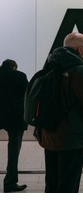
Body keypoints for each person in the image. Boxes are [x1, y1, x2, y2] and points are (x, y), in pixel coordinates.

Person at [36, 32, 83, 193]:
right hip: (71, 137)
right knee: (68, 186)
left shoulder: (50, 66)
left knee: (52, 184)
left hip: (49, 135)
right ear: (80, 50)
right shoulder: (81, 71)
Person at [0, 59, 28, 193]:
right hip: (15, 117)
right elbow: (27, 94)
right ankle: (10, 182)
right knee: (13, 150)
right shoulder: (19, 76)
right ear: (14, 67)